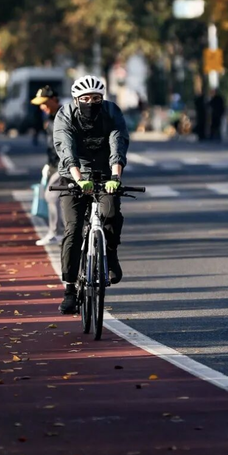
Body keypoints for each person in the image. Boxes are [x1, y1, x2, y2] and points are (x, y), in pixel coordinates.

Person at [53, 75, 129, 315]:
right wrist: (78, 178)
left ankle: (111, 254)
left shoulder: (111, 112)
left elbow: (118, 142)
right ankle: (68, 290)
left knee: (111, 213)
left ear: (102, 98)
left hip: (105, 173)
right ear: (76, 100)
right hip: (72, 175)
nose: (90, 102)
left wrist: (115, 178)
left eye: (96, 98)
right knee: (73, 228)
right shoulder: (65, 115)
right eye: (85, 98)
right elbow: (66, 149)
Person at [30, 86, 64, 247]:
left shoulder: (63, 116)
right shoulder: (50, 117)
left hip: (65, 164)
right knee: (58, 197)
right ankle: (62, 232)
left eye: (44, 102)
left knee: (51, 195)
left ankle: (56, 233)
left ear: (53, 99)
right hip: (54, 164)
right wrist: (49, 165)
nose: (42, 106)